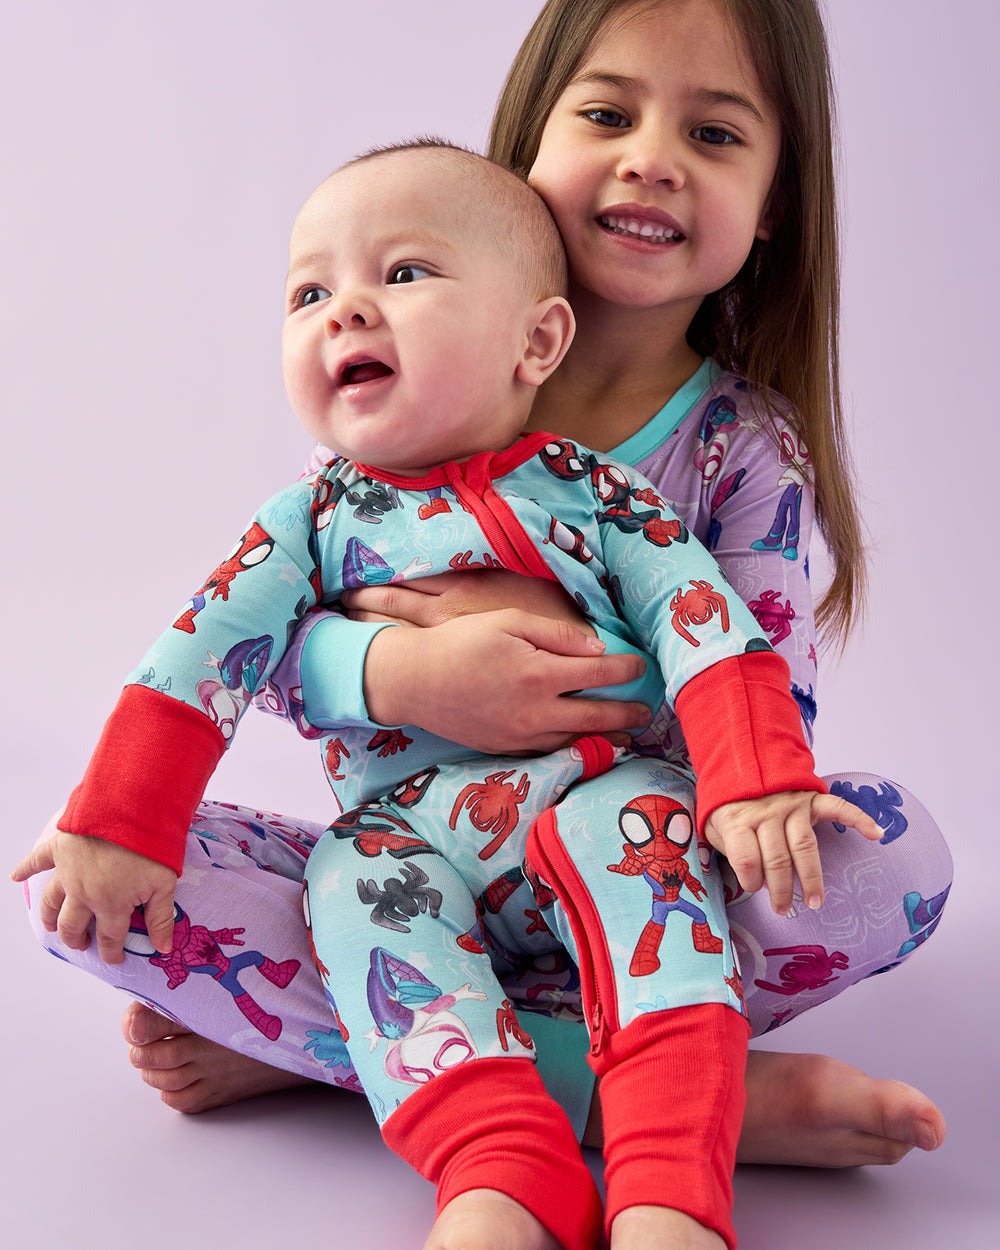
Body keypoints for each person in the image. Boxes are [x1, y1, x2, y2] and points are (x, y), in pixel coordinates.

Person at [15, 0, 950, 1236]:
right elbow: (249, 649)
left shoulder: (742, 453)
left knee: (889, 855)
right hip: (413, 870)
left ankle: (361, 1048)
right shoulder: (412, 372)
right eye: (607, 114)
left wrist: (561, 664)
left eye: (716, 136)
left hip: (644, 866)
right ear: (527, 141)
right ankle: (626, 1088)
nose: (651, 159)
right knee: (90, 881)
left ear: (775, 202)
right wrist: (404, 671)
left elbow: (762, 698)